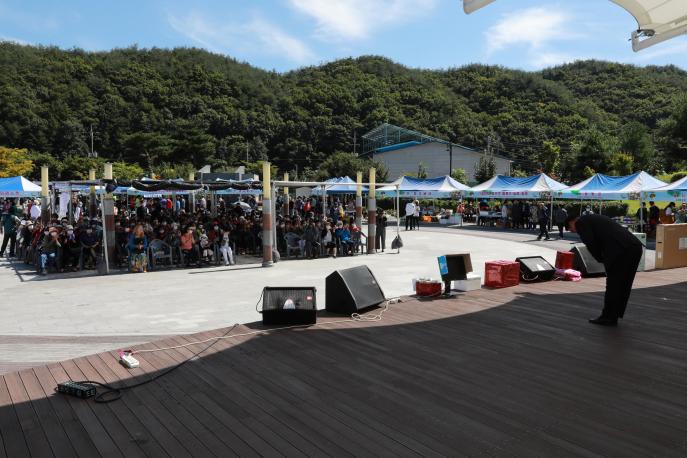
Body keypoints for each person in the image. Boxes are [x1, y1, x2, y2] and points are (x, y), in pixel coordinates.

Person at [565, 214, 643, 326]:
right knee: (624, 284)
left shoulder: (580, 222)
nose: (574, 231)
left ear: (572, 221)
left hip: (620, 250)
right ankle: (614, 314)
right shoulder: (592, 218)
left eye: (571, 229)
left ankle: (608, 317)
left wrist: (600, 259)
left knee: (613, 284)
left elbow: (590, 242)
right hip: (634, 247)